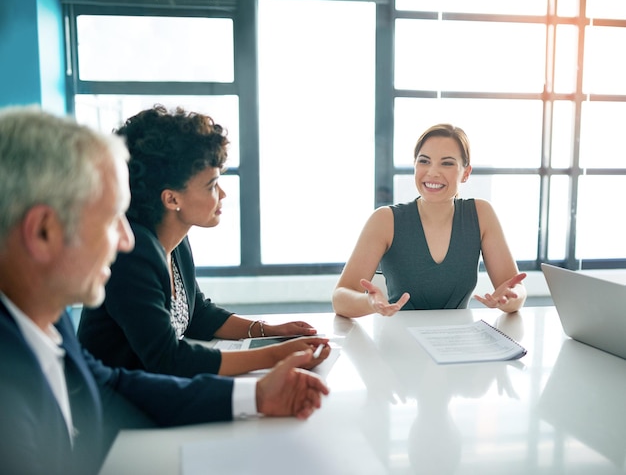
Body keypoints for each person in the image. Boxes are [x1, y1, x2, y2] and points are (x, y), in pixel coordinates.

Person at [0, 105, 329, 475]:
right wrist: (270, 359)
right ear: (43, 231)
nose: (126, 240)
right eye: (111, 219)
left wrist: (257, 395)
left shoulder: (45, 318)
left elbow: (111, 384)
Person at [77, 105, 330, 377]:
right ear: (171, 198)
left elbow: (198, 314)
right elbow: (168, 360)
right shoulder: (132, 253)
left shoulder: (175, 241)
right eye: (211, 185)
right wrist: (275, 356)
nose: (222, 194)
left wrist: (270, 331)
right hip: (112, 408)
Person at [332, 123, 527, 318]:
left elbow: (514, 288)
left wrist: (510, 298)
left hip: (458, 341)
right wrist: (370, 303)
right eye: (424, 161)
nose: (432, 172)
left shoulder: (481, 214)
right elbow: (340, 297)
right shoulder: (385, 220)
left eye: (447, 163)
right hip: (400, 340)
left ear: (466, 173)